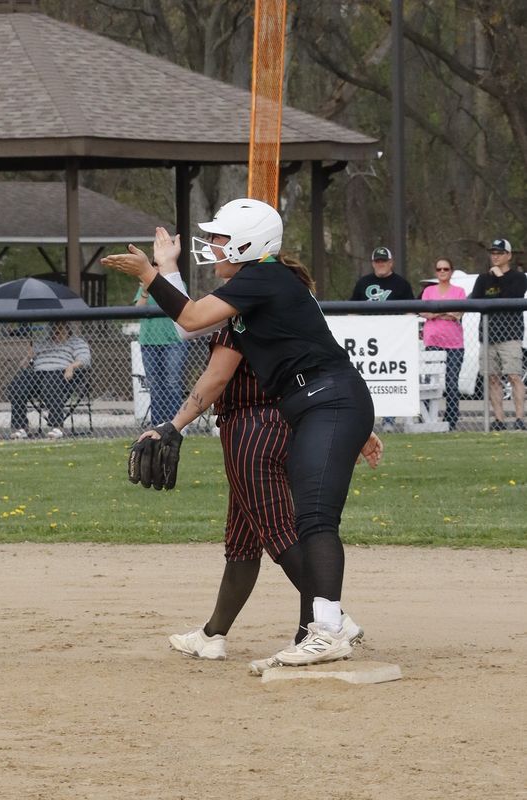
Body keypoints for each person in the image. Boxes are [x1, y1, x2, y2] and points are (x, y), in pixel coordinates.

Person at [102, 198, 381, 672]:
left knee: (312, 521)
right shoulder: (259, 286)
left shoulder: (264, 277)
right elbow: (193, 323)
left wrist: (151, 276)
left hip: (321, 403)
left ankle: (328, 628)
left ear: (250, 244)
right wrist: (165, 268)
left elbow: (188, 319)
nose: (212, 246)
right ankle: (317, 626)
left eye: (220, 239)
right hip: (317, 405)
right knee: (298, 524)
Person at [350, 246, 414, 432]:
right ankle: (363, 420)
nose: (381, 264)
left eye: (384, 261)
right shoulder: (363, 283)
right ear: (373, 263)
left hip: (393, 339)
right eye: (377, 261)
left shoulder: (401, 284)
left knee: (390, 378)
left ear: (391, 262)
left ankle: (388, 419)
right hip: (367, 340)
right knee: (365, 377)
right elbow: (352, 309)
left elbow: (411, 309)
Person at [471, 238, 527, 431]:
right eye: (493, 253)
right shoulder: (483, 279)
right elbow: (474, 301)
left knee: (514, 376)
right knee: (492, 378)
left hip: (510, 336)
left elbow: (513, 297)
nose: (495, 256)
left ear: (509, 256)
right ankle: (499, 420)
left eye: (499, 253)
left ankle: (519, 418)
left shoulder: (519, 278)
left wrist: (500, 277)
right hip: (488, 336)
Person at [7, 321, 91, 439]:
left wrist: (71, 367)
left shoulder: (76, 342)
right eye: (52, 328)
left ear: (67, 328)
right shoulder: (42, 342)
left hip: (61, 373)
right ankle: (21, 428)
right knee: (17, 386)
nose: (55, 331)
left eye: (59, 327)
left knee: (50, 381)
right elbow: (24, 365)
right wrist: (28, 356)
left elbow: (85, 359)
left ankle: (57, 427)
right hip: (37, 374)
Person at [134, 273, 189, 425]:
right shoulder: (144, 285)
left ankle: (176, 424)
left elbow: (177, 303)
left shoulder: (179, 283)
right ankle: (158, 423)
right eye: (153, 265)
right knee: (155, 385)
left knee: (172, 382)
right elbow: (138, 309)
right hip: (148, 341)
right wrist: (145, 292)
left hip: (174, 341)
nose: (156, 268)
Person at [420, 258, 466, 430]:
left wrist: (437, 311)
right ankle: (425, 419)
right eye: (439, 269)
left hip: (454, 344)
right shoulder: (428, 291)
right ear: (435, 271)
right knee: (428, 381)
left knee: (452, 382)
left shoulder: (459, 291)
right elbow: (425, 312)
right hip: (432, 342)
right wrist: (446, 312)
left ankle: (452, 419)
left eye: (446, 269)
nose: (442, 272)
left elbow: (458, 314)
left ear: (451, 271)